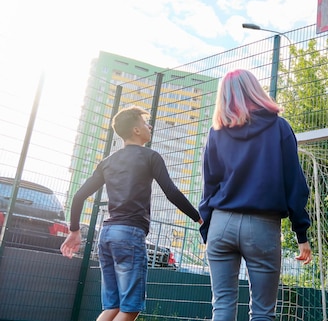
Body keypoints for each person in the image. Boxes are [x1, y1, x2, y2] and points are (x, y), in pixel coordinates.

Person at [60, 105, 203, 321]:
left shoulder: (107, 162)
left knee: (112, 307)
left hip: (106, 237)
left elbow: (79, 196)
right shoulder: (150, 157)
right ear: (136, 130)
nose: (150, 126)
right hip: (129, 235)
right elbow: (171, 192)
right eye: (146, 123)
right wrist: (199, 218)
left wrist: (74, 230)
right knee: (129, 308)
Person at [199, 69, 312, 321]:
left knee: (223, 306)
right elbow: (295, 183)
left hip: (220, 222)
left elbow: (209, 184)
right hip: (262, 226)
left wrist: (206, 229)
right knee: (262, 311)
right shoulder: (280, 128)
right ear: (255, 90)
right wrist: (301, 232)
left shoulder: (216, 131)